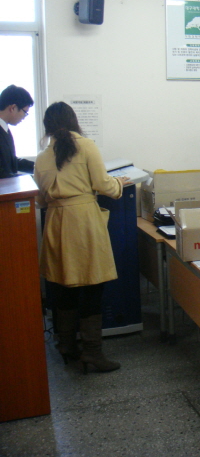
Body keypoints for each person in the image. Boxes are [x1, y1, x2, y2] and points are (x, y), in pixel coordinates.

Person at [34, 102, 129, 374]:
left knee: (63, 285)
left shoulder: (41, 157)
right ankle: (93, 352)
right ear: (73, 120)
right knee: (92, 284)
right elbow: (102, 183)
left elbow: (40, 200)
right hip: (84, 221)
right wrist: (119, 184)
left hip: (55, 222)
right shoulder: (86, 146)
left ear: (47, 127)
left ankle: (66, 345)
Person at [0, 84, 35, 178]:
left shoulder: (5, 129)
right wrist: (29, 179)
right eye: (25, 112)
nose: (24, 117)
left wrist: (38, 167)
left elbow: (11, 161)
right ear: (13, 108)